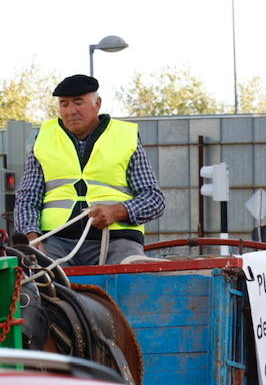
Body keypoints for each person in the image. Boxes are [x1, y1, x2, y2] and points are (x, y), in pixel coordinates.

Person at [14, 74, 165, 265]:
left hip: (116, 241)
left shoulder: (125, 138)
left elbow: (154, 198)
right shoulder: (44, 139)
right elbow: (27, 197)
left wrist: (118, 211)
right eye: (64, 104)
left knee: (130, 275)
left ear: (98, 104)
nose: (71, 111)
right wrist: (31, 236)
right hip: (56, 242)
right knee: (36, 282)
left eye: (78, 102)